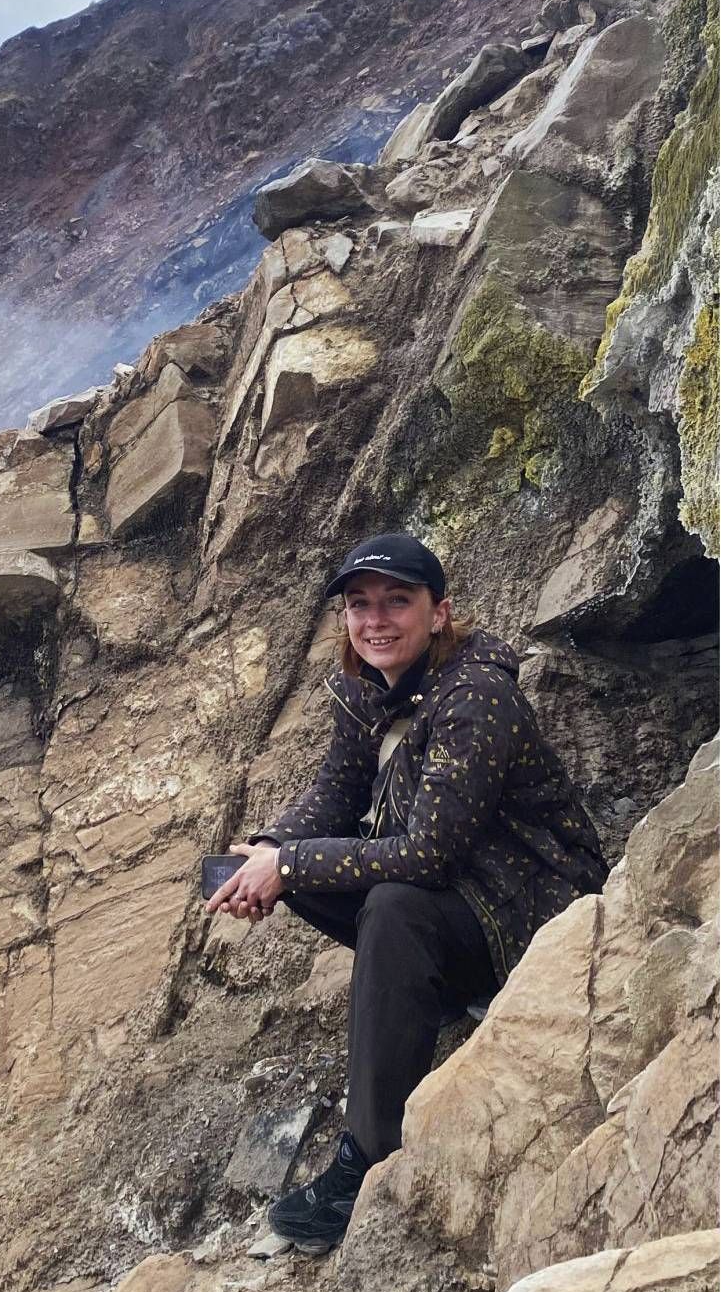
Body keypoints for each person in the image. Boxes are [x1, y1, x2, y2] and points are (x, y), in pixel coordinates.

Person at [206, 532, 607, 1255]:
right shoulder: (369, 688)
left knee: (389, 905)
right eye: (359, 604)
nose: (375, 620)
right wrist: (268, 850)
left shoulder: (474, 696)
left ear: (438, 611)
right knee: (281, 865)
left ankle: (367, 1154)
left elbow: (426, 855)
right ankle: (435, 989)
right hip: (464, 891)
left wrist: (290, 863)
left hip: (532, 908)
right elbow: (335, 792)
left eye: (397, 601)